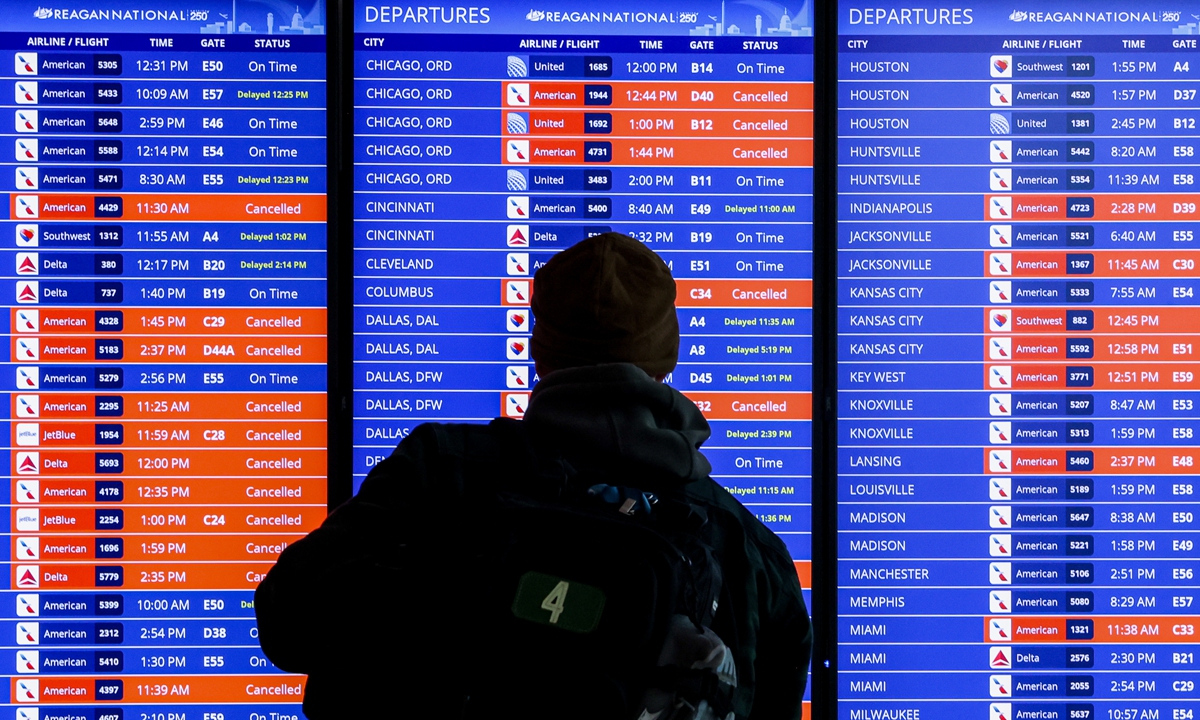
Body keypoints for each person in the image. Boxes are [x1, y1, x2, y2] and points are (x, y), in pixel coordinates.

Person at [254, 232, 812, 718]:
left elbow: (287, 620)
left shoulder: (439, 470)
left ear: (539, 350)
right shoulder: (747, 551)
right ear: (668, 355)